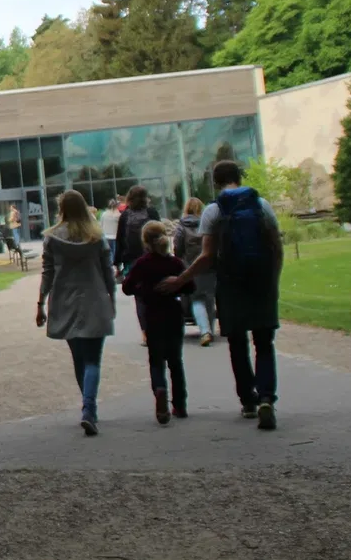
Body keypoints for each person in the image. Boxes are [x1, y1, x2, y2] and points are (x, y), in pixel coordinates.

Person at [161, 160, 284, 430]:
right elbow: (276, 246)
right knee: (264, 343)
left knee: (237, 343)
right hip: (261, 282)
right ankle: (266, 397)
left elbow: (206, 256)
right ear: (239, 177)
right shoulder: (261, 205)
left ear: (215, 181)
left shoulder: (213, 211)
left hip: (229, 283)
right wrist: (273, 278)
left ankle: (248, 401)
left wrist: (180, 279)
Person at [36, 190, 115, 436]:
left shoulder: (51, 238)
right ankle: (89, 409)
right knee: (93, 359)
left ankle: (88, 406)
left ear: (62, 209)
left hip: (64, 301)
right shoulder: (96, 237)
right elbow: (107, 272)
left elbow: (47, 272)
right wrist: (111, 299)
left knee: (79, 359)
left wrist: (40, 302)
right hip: (94, 299)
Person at [122, 222, 190, 424]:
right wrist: (175, 288)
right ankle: (180, 404)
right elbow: (191, 286)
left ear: (144, 241)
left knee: (156, 360)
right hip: (173, 313)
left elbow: (126, 287)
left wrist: (143, 291)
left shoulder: (142, 264)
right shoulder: (175, 263)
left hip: (152, 315)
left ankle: (159, 389)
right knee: (176, 361)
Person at [114, 186, 161, 346]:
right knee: (156, 294)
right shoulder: (152, 212)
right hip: (153, 257)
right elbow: (160, 234)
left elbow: (120, 240)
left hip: (132, 262)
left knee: (140, 298)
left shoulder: (125, 216)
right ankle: (158, 328)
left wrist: (117, 263)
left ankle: (146, 334)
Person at [175, 197, 216, 347]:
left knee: (196, 299)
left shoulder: (181, 226)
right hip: (209, 266)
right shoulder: (207, 224)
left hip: (190, 267)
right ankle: (209, 328)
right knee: (209, 298)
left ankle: (205, 331)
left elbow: (178, 249)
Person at [99, 199, 122, 265]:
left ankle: (108, 266)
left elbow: (101, 225)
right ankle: (113, 267)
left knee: (107, 254)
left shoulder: (104, 214)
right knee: (114, 253)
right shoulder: (118, 215)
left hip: (105, 236)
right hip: (115, 237)